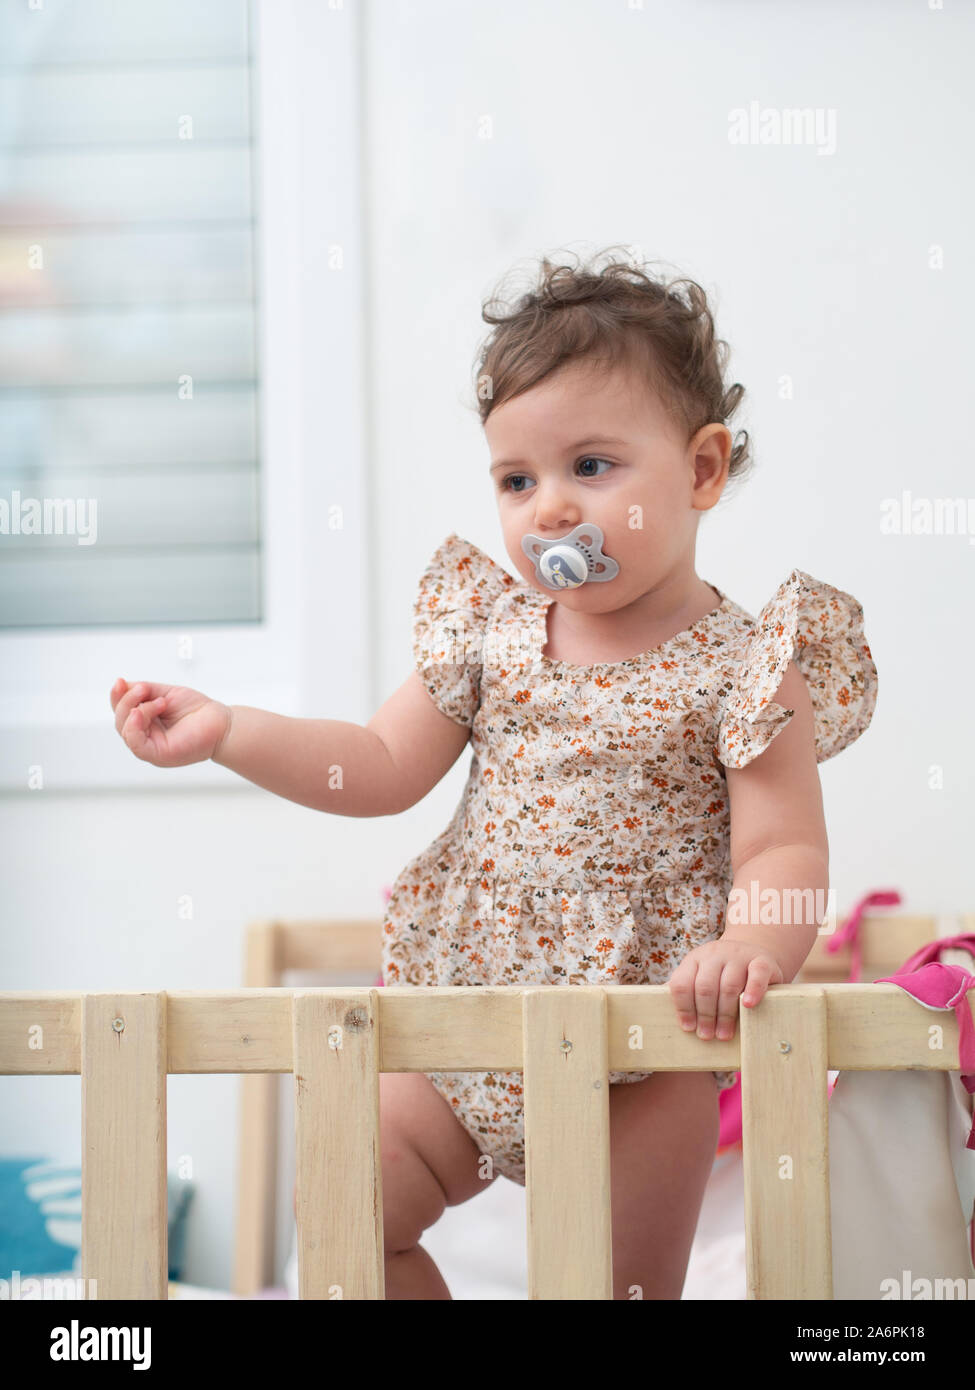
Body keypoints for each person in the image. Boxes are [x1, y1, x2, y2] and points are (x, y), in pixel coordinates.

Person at [111, 247, 878, 1299]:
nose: (547, 509)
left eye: (590, 467)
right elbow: (376, 765)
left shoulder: (748, 668)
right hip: (468, 1008)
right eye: (517, 480)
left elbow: (782, 845)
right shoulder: (490, 633)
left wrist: (752, 944)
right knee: (345, 1209)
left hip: (644, 1040)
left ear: (702, 470)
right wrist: (231, 729)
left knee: (612, 1287)